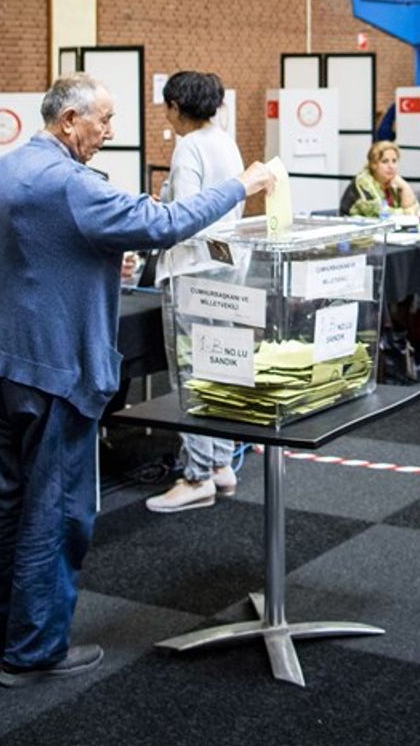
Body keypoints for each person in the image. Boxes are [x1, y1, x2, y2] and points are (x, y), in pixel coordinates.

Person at [0, 73, 273, 687]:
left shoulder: (6, 170)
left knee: (6, 502)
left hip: (2, 363)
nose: (109, 132)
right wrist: (245, 183)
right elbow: (165, 222)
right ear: (69, 119)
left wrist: (101, 255)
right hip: (55, 370)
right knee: (58, 510)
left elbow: (34, 256)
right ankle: (36, 649)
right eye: (102, 120)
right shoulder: (71, 183)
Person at [145, 71, 251, 515]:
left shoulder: (189, 146)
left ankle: (197, 476)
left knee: (193, 370)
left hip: (195, 269)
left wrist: (157, 210)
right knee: (221, 363)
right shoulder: (225, 140)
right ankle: (220, 463)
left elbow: (183, 218)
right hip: (227, 264)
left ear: (175, 107)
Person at [339, 140, 420, 217]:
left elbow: (418, 214)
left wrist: (405, 187)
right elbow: (383, 215)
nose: (391, 166)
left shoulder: (394, 182)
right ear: (373, 165)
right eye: (385, 161)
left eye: (394, 161)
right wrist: (409, 212)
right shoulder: (363, 182)